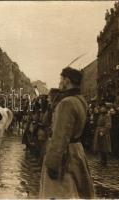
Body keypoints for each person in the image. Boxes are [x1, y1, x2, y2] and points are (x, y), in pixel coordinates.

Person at [40, 67, 95, 198]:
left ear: (67, 81)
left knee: (58, 192)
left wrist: (52, 164)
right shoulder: (80, 100)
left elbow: (60, 137)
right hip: (77, 151)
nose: (59, 83)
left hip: (65, 156)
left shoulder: (66, 103)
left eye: (61, 79)